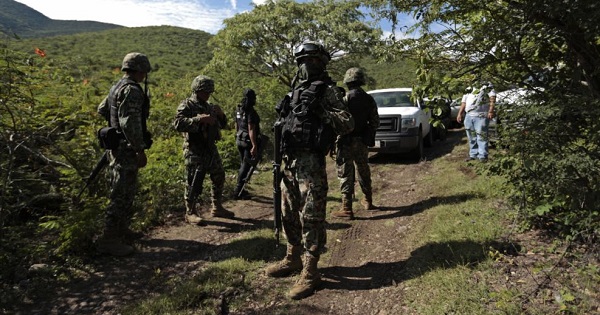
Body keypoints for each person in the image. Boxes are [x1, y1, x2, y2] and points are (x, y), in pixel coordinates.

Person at [265, 41, 354, 300]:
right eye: (302, 60)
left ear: (320, 63)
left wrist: (322, 111)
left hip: (311, 164)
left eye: (311, 60)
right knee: (287, 212)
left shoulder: (327, 91)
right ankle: (292, 257)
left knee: (312, 216)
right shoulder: (295, 91)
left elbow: (348, 123)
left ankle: (310, 271)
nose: (305, 65)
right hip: (290, 162)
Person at [96, 52, 152, 256]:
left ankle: (121, 230)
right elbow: (129, 123)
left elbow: (102, 109)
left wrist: (114, 127)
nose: (145, 75)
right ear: (139, 70)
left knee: (126, 191)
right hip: (127, 150)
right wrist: (139, 149)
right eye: (144, 71)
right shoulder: (132, 90)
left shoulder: (116, 87)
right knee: (121, 193)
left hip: (116, 147)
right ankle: (109, 239)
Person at [173, 75, 235, 225]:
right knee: (193, 180)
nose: (208, 95)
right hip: (194, 148)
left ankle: (217, 206)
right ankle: (191, 212)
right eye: (205, 91)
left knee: (219, 174)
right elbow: (177, 124)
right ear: (197, 90)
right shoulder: (187, 105)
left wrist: (221, 115)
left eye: (209, 92)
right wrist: (198, 119)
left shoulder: (210, 106)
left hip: (209, 147)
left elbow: (223, 124)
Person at [332, 67, 380, 220]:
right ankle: (368, 200)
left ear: (347, 81)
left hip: (345, 141)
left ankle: (346, 207)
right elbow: (375, 121)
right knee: (363, 169)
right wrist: (368, 134)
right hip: (361, 141)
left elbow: (338, 121)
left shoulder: (343, 99)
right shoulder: (368, 99)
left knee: (345, 172)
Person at [456, 82, 496, 162]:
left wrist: (491, 111)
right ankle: (473, 155)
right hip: (469, 115)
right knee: (471, 137)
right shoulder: (469, 87)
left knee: (481, 136)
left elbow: (492, 98)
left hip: (481, 115)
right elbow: (464, 102)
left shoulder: (487, 85)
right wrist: (459, 113)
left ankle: (483, 156)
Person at [233, 88, 261, 200]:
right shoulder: (250, 111)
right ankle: (238, 191)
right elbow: (251, 129)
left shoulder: (239, 109)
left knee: (242, 165)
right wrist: (254, 145)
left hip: (240, 138)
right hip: (247, 141)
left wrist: (237, 135)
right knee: (246, 165)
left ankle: (241, 189)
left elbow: (236, 124)